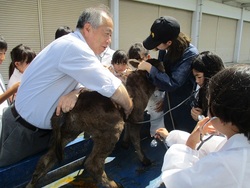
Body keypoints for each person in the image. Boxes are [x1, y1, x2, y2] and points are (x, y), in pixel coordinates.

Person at [0, 5, 133, 167]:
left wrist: (77, 92)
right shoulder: (74, 48)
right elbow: (112, 87)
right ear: (88, 28)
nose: (109, 40)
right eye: (107, 33)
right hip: (22, 132)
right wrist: (129, 107)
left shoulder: (76, 48)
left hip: (41, 131)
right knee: (10, 178)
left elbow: (87, 82)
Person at [158, 64, 250, 188]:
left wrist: (190, 144)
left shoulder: (225, 164)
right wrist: (172, 136)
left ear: (221, 116)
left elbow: (177, 181)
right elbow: (215, 145)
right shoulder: (239, 142)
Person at [139, 16, 199, 133]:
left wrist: (150, 68)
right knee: (169, 131)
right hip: (169, 99)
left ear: (169, 42)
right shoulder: (164, 48)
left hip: (183, 104)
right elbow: (163, 73)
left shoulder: (189, 54)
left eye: (157, 43)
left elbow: (173, 83)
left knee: (182, 135)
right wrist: (164, 98)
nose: (156, 47)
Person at [127, 42, 165, 136]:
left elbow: (167, 84)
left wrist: (165, 99)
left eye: (139, 60)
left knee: (158, 130)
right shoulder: (135, 74)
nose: (137, 65)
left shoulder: (157, 67)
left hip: (158, 103)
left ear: (147, 57)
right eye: (133, 62)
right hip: (145, 107)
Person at [190, 51, 225, 121]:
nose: (197, 81)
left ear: (210, 74)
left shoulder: (224, 94)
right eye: (195, 77)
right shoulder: (203, 90)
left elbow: (222, 123)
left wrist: (201, 118)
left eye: (199, 77)